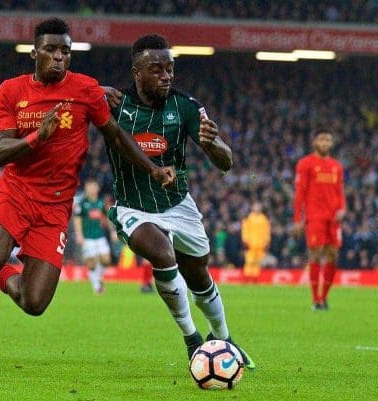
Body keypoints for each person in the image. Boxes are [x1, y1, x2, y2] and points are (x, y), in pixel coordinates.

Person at [0, 18, 174, 379]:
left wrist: (152, 169)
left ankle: (0, 268)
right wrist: (38, 136)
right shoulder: (10, 90)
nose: (59, 57)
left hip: (55, 205)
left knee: (34, 303)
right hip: (15, 192)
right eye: (51, 49)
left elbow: (115, 134)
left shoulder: (84, 90)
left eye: (66, 51)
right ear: (34, 52)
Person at [103, 34, 255, 368]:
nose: (166, 75)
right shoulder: (116, 104)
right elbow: (66, 95)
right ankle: (192, 340)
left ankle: (225, 339)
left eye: (169, 68)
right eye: (156, 69)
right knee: (161, 252)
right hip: (133, 205)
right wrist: (92, 89)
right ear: (137, 72)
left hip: (178, 205)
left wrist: (213, 144)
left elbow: (225, 161)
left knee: (199, 276)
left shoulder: (185, 106)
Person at [294, 129, 345, 311]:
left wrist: (342, 209)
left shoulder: (336, 166)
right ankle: (316, 299)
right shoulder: (306, 164)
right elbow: (300, 193)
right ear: (315, 142)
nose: (325, 143)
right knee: (315, 253)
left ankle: (324, 298)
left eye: (328, 139)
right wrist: (297, 219)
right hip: (314, 216)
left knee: (333, 255)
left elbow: (339, 191)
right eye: (322, 139)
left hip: (334, 218)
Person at [73, 178, 116, 294]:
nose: (91, 189)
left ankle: (99, 277)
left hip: (100, 236)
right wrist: (79, 235)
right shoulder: (82, 204)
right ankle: (97, 286)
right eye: (89, 187)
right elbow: (77, 220)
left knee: (106, 260)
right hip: (87, 238)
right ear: (86, 188)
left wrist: (112, 231)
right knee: (91, 264)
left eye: (93, 186)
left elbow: (107, 218)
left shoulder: (101, 202)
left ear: (97, 188)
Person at [241, 202, 271, 283]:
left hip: (260, 245)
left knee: (257, 263)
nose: (257, 208)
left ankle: (255, 279)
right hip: (251, 244)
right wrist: (245, 240)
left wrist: (267, 241)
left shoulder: (264, 219)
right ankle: (247, 278)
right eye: (255, 207)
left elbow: (267, 231)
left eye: (258, 207)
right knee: (249, 261)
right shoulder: (249, 218)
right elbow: (245, 229)